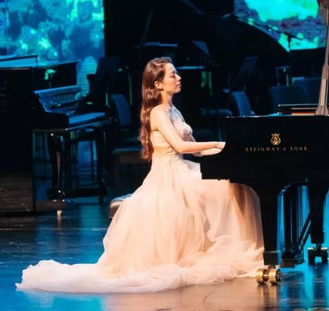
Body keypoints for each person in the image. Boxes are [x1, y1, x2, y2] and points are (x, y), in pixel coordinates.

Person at [17, 57, 263, 293]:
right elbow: (180, 146)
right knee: (225, 189)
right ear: (158, 84)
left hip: (183, 168)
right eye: (173, 75)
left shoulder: (174, 110)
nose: (178, 77)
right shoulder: (158, 113)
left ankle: (241, 247)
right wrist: (218, 143)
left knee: (234, 184)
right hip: (168, 176)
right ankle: (235, 250)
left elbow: (196, 151)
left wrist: (228, 151)